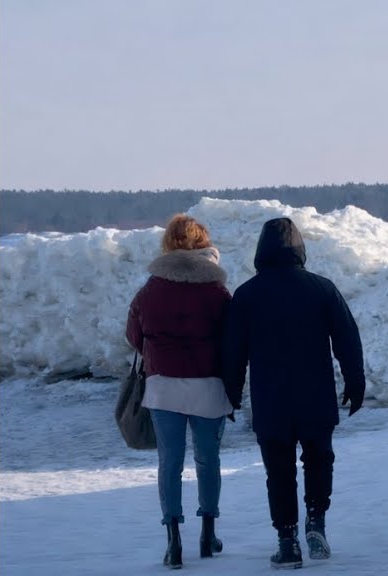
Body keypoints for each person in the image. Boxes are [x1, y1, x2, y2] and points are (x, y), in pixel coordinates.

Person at [223, 217, 365, 569]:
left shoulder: (247, 295)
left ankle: (287, 542)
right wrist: (355, 381)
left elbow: (233, 351)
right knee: (319, 459)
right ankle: (316, 521)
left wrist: (230, 393)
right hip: (315, 394)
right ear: (300, 249)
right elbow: (347, 339)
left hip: (271, 400)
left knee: (279, 470)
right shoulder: (321, 288)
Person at [126, 214, 233, 569]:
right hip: (208, 385)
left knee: (169, 463)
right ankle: (208, 533)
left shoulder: (150, 289)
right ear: (204, 244)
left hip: (163, 387)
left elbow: (134, 336)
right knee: (208, 460)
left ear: (168, 245)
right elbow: (232, 338)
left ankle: (173, 542)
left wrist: (159, 355)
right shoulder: (217, 290)